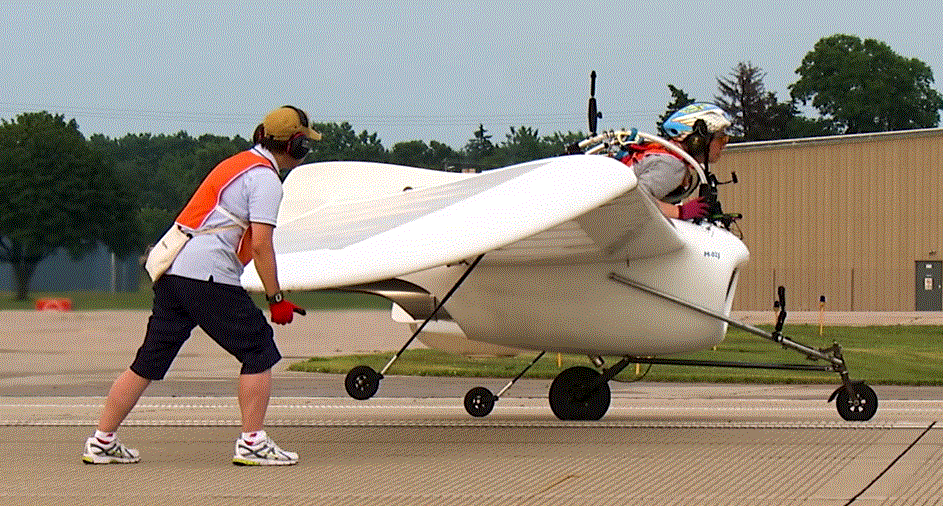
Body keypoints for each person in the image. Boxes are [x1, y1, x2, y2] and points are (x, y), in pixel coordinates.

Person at [82, 105, 320, 466]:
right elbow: (260, 245)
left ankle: (102, 441)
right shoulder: (267, 180)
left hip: (174, 272)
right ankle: (253, 442)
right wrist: (276, 299)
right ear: (295, 145)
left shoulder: (238, 164)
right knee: (259, 348)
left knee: (148, 360)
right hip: (207, 276)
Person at [623, 102, 732, 220]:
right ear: (698, 140)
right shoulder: (672, 165)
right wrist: (680, 212)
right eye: (721, 139)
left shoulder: (670, 159)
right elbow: (635, 202)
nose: (723, 145)